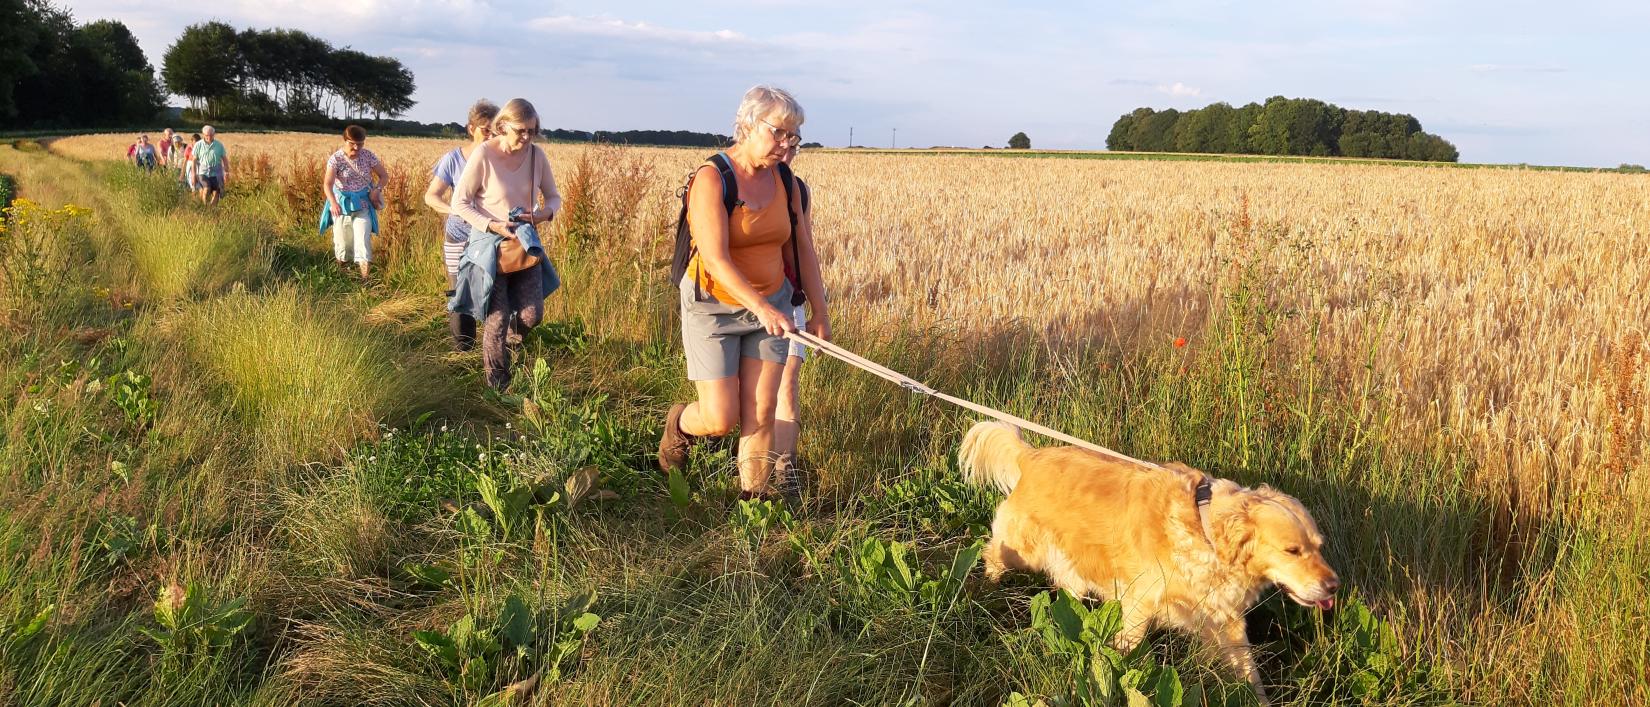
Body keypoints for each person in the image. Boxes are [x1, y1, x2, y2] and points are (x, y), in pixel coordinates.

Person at [656, 85, 830, 500]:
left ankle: (754, 505)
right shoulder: (712, 179)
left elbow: (802, 247)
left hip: (773, 303)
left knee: (762, 412)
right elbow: (715, 259)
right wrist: (758, 307)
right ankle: (678, 426)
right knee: (719, 418)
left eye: (795, 137)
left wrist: (819, 311)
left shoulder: (788, 182)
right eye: (779, 133)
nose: (787, 145)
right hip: (713, 307)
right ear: (748, 125)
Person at [449, 98, 562, 391]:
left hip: (524, 244)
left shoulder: (537, 156)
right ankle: (498, 385)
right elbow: (459, 202)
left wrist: (542, 214)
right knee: (496, 319)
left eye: (532, 131)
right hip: (489, 247)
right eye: (520, 131)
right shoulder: (484, 154)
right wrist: (492, 224)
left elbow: (553, 197)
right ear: (502, 126)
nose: (526, 138)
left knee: (532, 315)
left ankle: (514, 341)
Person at [424, 99, 498, 350]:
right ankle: (463, 350)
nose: (491, 135)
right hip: (459, 235)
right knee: (459, 291)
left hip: (491, 238)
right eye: (485, 129)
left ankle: (495, 349)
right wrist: (453, 209)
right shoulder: (454, 159)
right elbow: (431, 195)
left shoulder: (502, 158)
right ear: (471, 128)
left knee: (494, 291)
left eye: (496, 130)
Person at [773, 139, 819, 492]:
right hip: (738, 301)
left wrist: (818, 311)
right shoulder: (732, 184)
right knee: (742, 396)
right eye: (781, 143)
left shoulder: (796, 191)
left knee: (788, 378)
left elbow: (803, 249)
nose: (787, 155)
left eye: (795, 147)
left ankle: (783, 469)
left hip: (788, 297)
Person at [319, 125, 389, 280]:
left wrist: (377, 189)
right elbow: (327, 184)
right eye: (352, 143)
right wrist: (333, 203)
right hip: (342, 206)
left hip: (364, 205)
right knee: (342, 243)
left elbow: (384, 176)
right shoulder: (335, 159)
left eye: (360, 143)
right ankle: (342, 275)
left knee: (363, 240)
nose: (357, 147)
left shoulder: (368, 156)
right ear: (345, 140)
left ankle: (365, 279)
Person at [191, 125, 229, 205]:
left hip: (216, 172)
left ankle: (211, 209)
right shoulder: (198, 145)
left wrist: (226, 172)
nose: (209, 137)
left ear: (214, 134)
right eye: (207, 135)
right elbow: (194, 160)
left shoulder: (219, 145)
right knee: (207, 188)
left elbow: (224, 159)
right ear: (203, 135)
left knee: (217, 191)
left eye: (211, 135)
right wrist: (193, 174)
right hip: (203, 172)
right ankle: (205, 207)